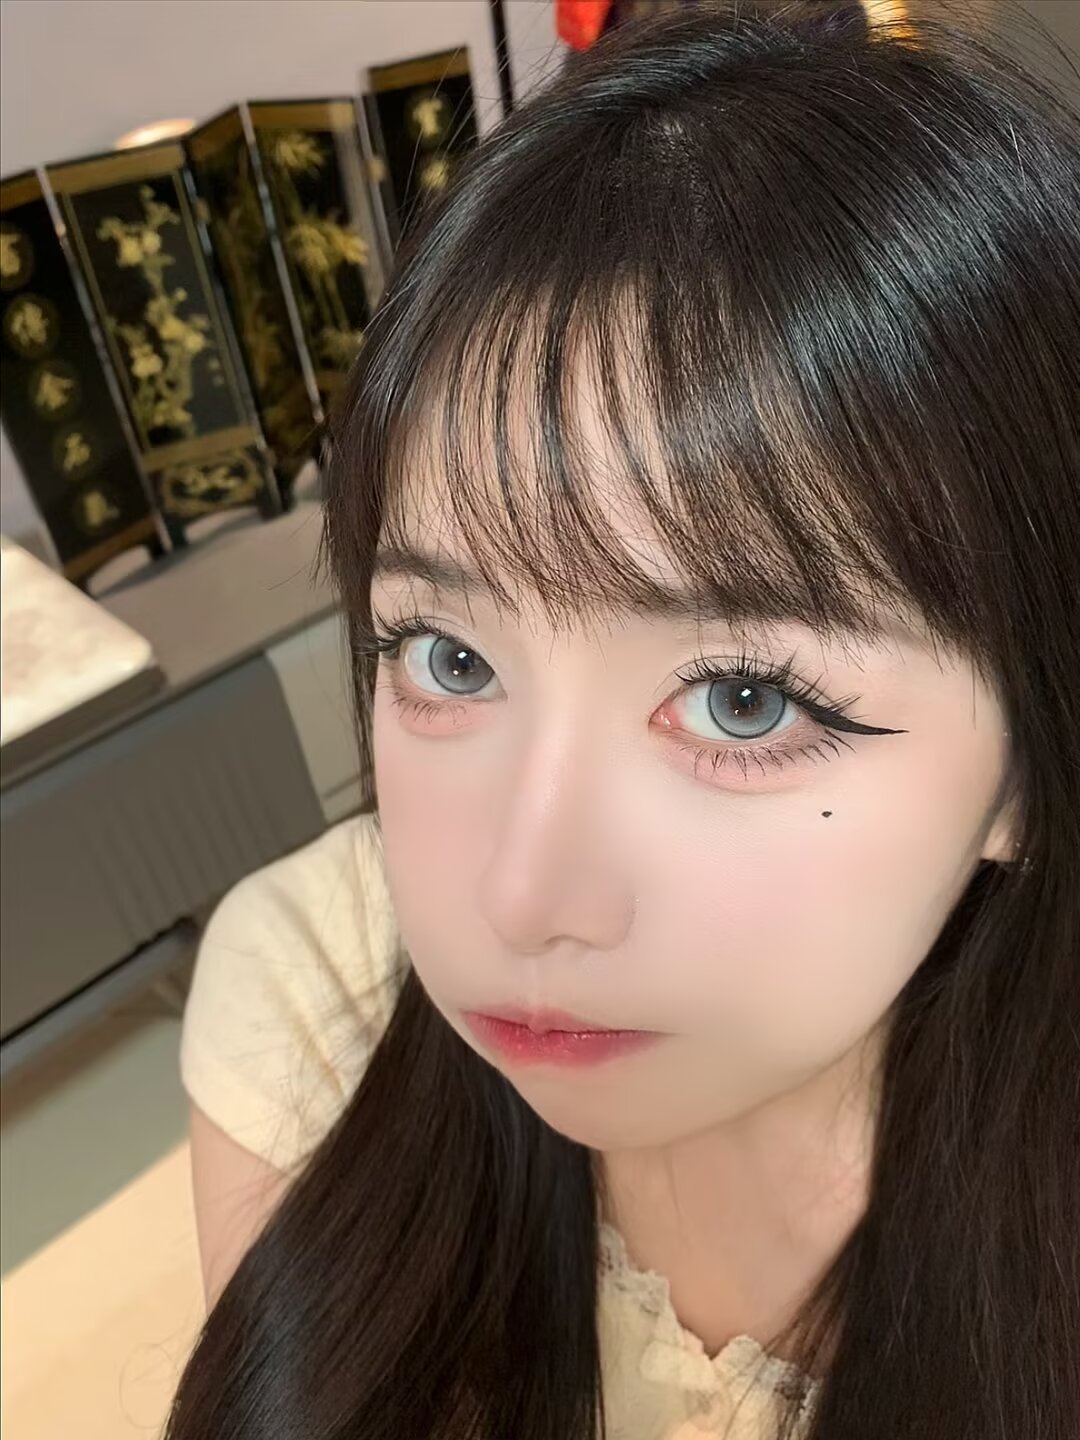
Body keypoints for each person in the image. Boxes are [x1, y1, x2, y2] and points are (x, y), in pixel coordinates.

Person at [168, 6, 1080, 1438]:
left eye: (743, 700)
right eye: (450, 659)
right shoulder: (315, 1001)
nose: (520, 896)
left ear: (1028, 756)